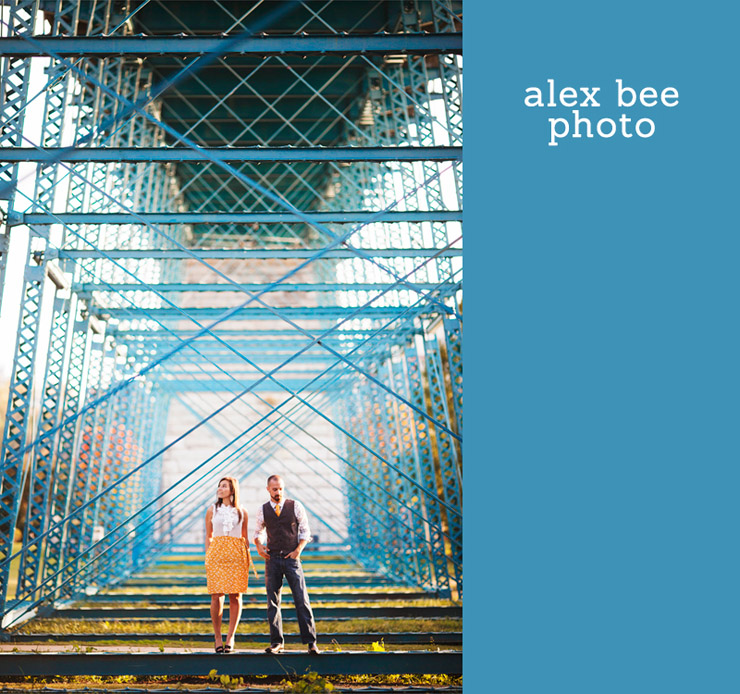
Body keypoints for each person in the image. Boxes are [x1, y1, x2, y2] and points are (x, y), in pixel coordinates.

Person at [253, 474, 320, 654]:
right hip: (272, 559)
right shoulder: (263, 510)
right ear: (268, 489)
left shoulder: (295, 506)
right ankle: (277, 642)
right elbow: (258, 531)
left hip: (292, 559)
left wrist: (298, 550)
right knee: (272, 602)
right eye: (275, 489)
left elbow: (305, 530)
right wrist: (259, 546)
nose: (278, 492)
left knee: (301, 599)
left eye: (281, 489)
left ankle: (311, 642)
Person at [205, 476, 250, 653]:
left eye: (224, 486)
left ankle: (230, 637)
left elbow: (244, 538)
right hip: (216, 553)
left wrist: (245, 558)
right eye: (219, 486)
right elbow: (208, 535)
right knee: (216, 595)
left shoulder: (242, 511)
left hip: (236, 554)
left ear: (232, 490)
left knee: (235, 596)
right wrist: (208, 556)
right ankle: (217, 636)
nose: (220, 489)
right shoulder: (212, 510)